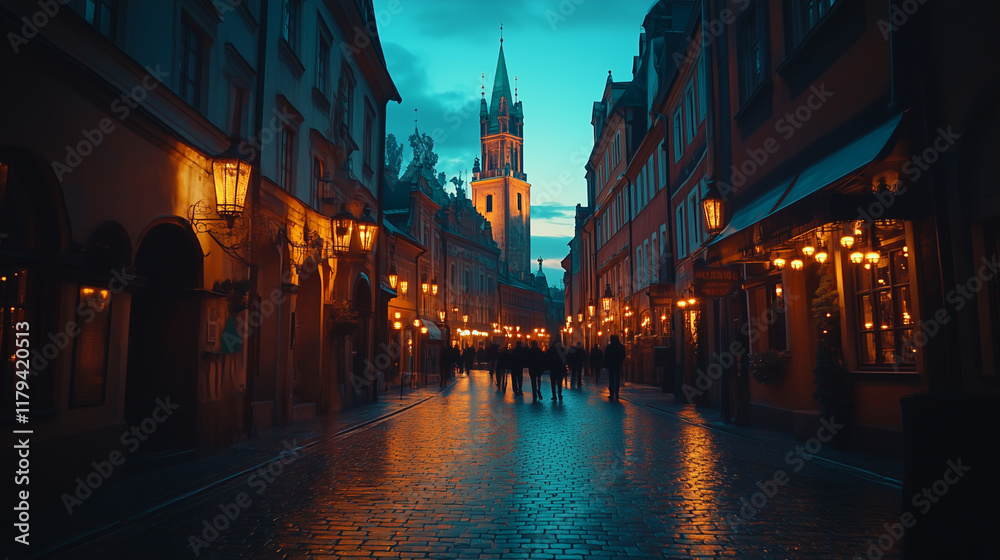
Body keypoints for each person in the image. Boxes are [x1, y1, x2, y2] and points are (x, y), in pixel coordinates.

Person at [604, 335, 626, 400]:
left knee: (611, 379)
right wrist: (620, 361)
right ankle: (616, 392)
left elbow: (606, 356)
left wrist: (606, 364)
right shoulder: (621, 347)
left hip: (611, 365)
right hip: (618, 364)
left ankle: (611, 393)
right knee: (617, 378)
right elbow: (623, 356)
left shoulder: (609, 347)